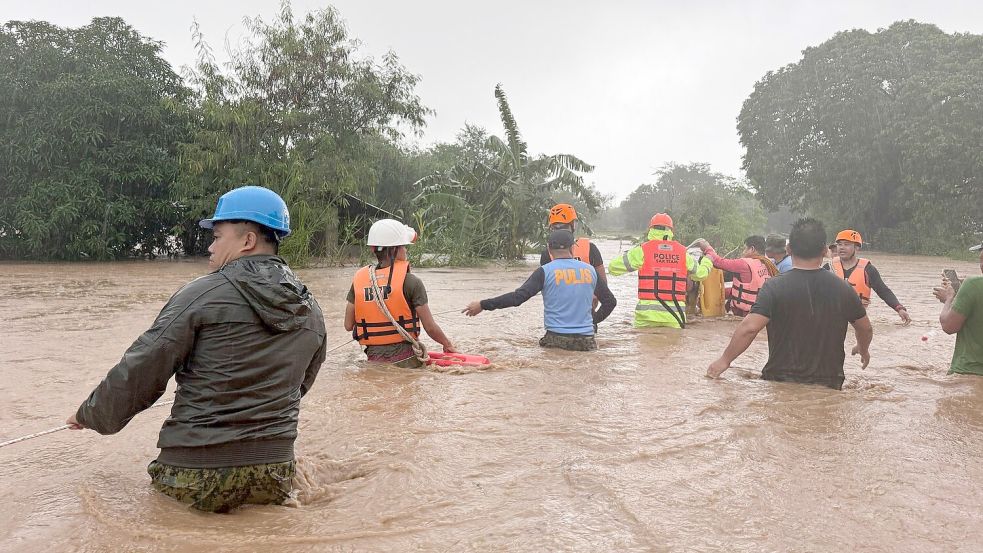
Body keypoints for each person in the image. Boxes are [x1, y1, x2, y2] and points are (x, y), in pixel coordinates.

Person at [66, 185, 328, 513]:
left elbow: (144, 367)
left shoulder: (201, 293)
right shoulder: (310, 307)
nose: (210, 246)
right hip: (275, 472)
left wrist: (90, 413)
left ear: (248, 241)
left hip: (194, 470)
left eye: (218, 237)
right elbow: (300, 385)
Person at [707, 218, 873, 390]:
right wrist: (863, 348)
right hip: (828, 384)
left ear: (789, 249)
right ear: (825, 250)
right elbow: (865, 328)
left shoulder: (773, 287)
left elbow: (749, 328)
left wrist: (724, 360)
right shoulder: (844, 289)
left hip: (779, 382)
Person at [463, 229, 616, 351]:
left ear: (549, 249)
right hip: (586, 341)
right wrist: (591, 321)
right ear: (572, 248)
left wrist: (483, 304)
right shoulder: (590, 271)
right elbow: (610, 302)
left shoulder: (544, 271)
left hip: (555, 339)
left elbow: (517, 298)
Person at [345, 219, 456, 368]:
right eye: (404, 246)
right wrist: (448, 345)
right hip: (407, 361)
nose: (406, 250)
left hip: (373, 363)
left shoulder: (359, 280)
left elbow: (348, 325)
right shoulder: (411, 282)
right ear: (395, 250)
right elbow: (430, 327)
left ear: (373, 249)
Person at [609, 213, 712, 328]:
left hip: (646, 319)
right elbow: (701, 274)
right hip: (674, 318)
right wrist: (708, 258)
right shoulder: (682, 252)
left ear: (650, 229)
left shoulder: (642, 250)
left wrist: (631, 254)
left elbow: (613, 268)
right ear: (671, 230)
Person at [828, 229, 911, 325]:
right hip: (832, 318)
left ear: (857, 248)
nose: (842, 247)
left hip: (857, 319)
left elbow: (883, 291)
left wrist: (899, 308)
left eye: (846, 244)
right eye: (839, 244)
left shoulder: (868, 269)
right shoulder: (829, 267)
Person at [695, 235, 779, 317]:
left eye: (745, 249)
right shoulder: (769, 264)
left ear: (752, 249)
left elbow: (718, 262)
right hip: (762, 312)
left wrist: (707, 248)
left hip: (744, 314)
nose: (743, 252)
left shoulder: (744, 264)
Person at [932, 242, 983, 376]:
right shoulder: (973, 285)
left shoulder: (973, 284)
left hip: (968, 373)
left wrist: (948, 299)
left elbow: (948, 326)